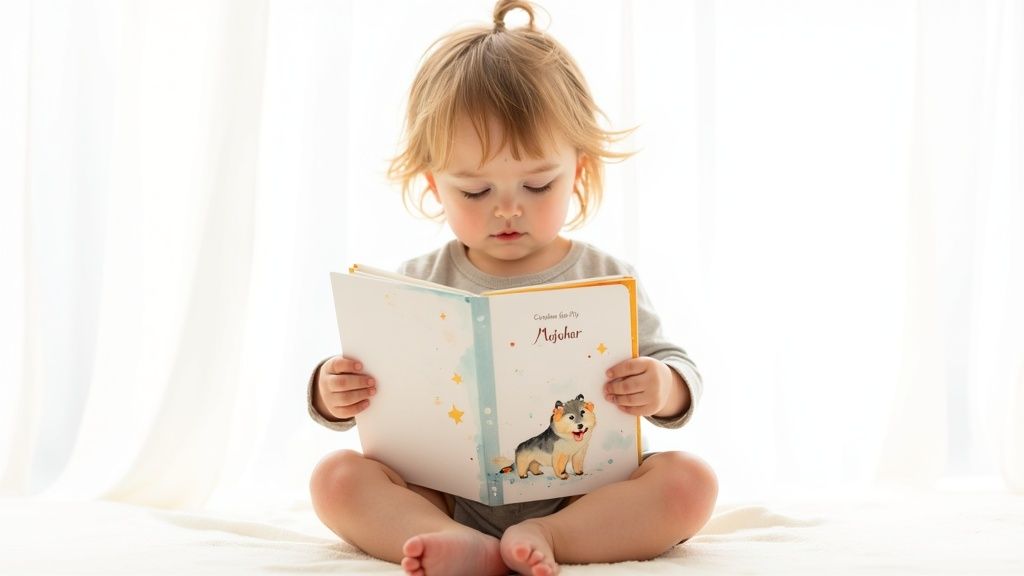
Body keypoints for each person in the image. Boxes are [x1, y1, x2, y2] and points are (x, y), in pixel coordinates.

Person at [307, 1, 717, 574]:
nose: (507, 208)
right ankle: (454, 540)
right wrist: (333, 390)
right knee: (335, 480)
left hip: (585, 494)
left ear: (581, 171)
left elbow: (674, 363)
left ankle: (553, 535)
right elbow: (368, 381)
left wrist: (664, 386)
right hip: (444, 494)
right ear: (434, 186)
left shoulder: (603, 277)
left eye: (537, 184)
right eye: (474, 191)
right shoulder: (418, 282)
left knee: (690, 483)